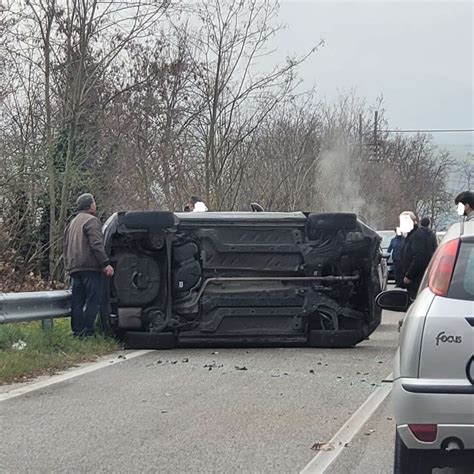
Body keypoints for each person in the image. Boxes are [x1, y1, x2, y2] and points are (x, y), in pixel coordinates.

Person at [63, 193, 114, 337]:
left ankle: (77, 332)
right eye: (94, 203)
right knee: (93, 299)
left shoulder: (72, 223)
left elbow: (65, 245)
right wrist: (105, 263)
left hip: (74, 268)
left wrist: (68, 266)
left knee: (77, 302)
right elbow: (96, 244)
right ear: (91, 205)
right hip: (90, 268)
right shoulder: (92, 221)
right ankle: (88, 332)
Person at [399, 211, 436, 300]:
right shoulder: (413, 235)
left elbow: (419, 257)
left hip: (417, 279)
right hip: (418, 278)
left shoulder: (417, 235)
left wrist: (409, 275)